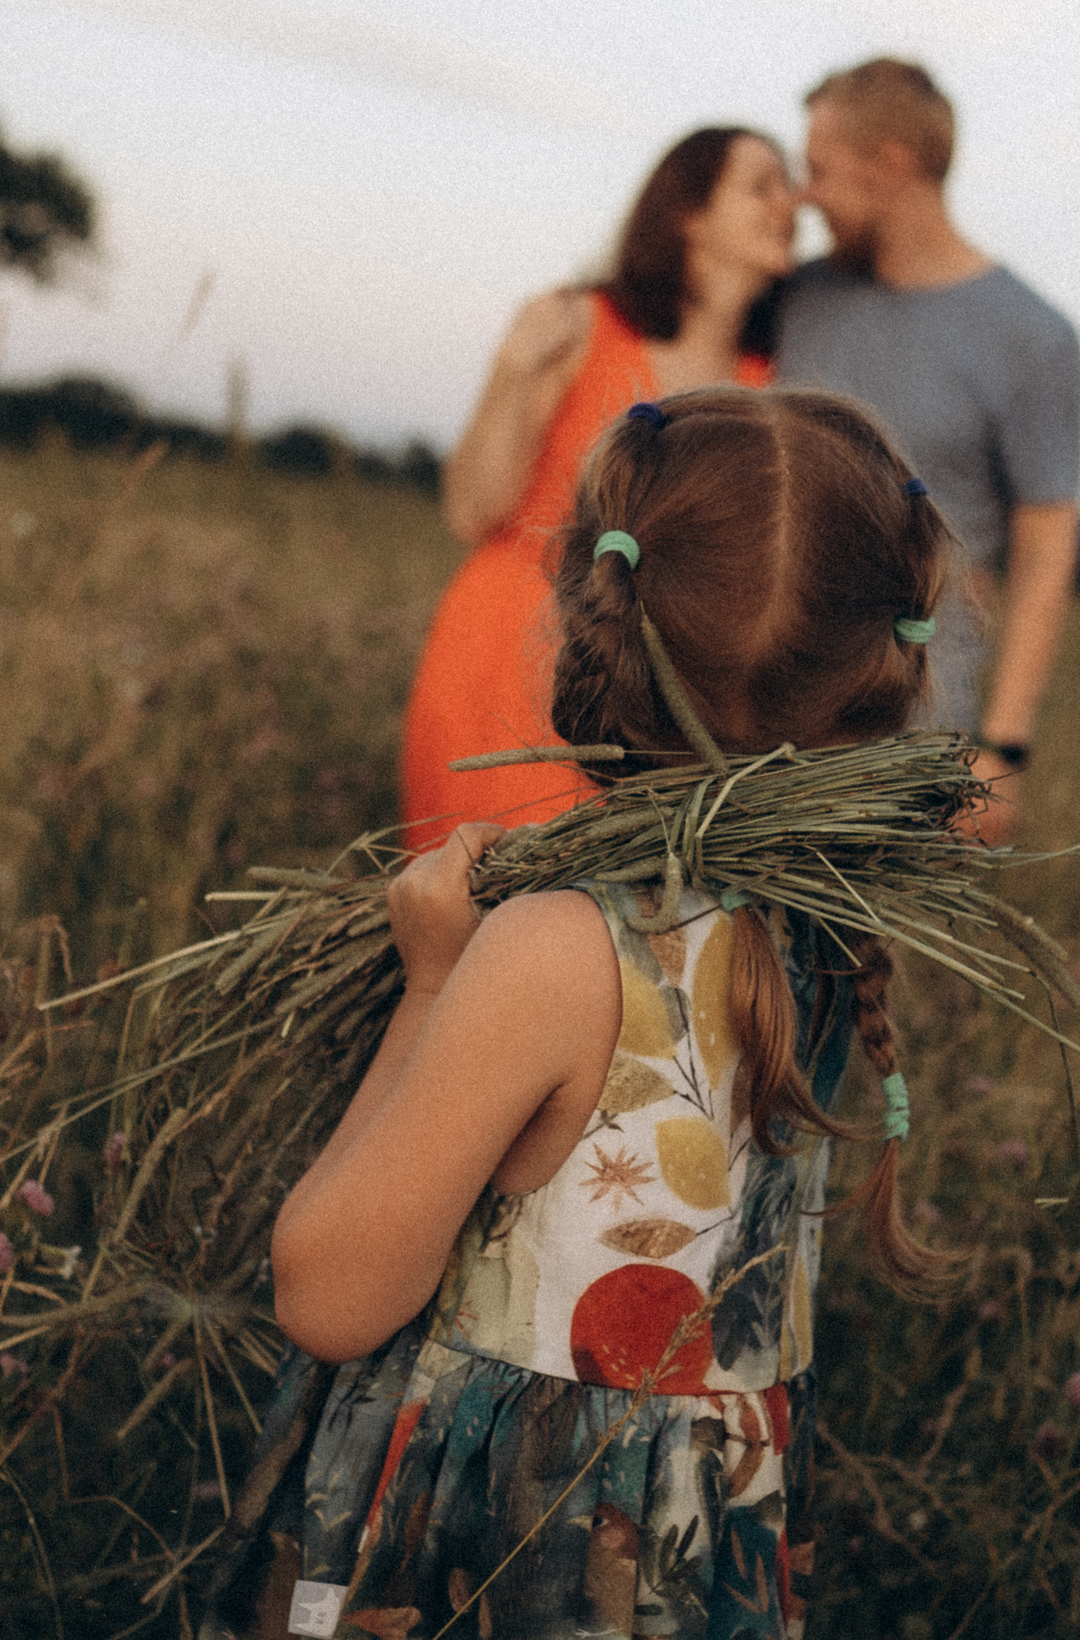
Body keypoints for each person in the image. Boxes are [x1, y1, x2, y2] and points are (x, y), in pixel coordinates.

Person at [199, 388, 958, 1640]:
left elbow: (328, 1295)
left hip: (510, 1557)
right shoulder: (828, 934)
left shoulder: (557, 947)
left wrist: (433, 980)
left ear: (584, 608)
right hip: (689, 1553)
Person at [398, 127, 797, 849]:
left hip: (651, 701)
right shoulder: (582, 325)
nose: (790, 202)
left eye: (791, 185)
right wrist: (512, 368)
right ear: (689, 212)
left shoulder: (765, 385)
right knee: (483, 919)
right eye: (762, 184)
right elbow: (469, 509)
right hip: (508, 663)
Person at [777, 58, 1080, 846]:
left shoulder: (1033, 338)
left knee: (850, 968)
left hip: (908, 725)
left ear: (892, 163)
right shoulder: (798, 296)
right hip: (753, 699)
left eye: (819, 169)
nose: (805, 196)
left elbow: (1046, 549)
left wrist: (1004, 748)